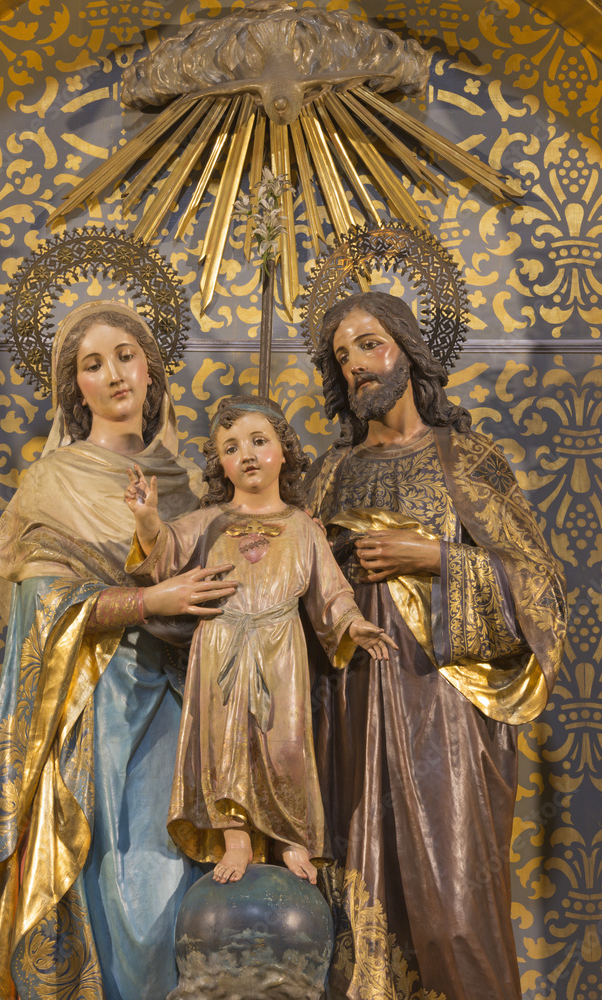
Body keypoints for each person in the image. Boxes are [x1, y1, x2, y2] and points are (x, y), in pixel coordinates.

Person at [0, 301, 238, 1000]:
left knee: (182, 892)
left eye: (125, 356)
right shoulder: (53, 481)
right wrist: (151, 601)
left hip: (186, 709)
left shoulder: (194, 483)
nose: (114, 373)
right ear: (74, 388)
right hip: (93, 711)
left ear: (150, 369)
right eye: (92, 364)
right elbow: (40, 607)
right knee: (118, 886)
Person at [304, 292, 567, 1000]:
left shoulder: (465, 457)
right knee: (355, 909)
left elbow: (540, 588)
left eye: (368, 344)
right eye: (342, 356)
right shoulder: (327, 475)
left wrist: (437, 559)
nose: (356, 364)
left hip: (442, 712)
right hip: (349, 706)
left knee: (453, 908)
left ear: (407, 350)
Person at [123, 395, 396, 886]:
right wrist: (146, 518)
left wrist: (353, 624)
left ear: (284, 451)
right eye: (231, 447)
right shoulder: (209, 522)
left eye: (258, 441)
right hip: (221, 645)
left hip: (280, 648)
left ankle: (292, 839)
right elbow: (162, 560)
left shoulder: (301, 527)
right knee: (224, 743)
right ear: (220, 463)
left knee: (285, 745)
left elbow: (330, 591)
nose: (246, 454)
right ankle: (236, 837)